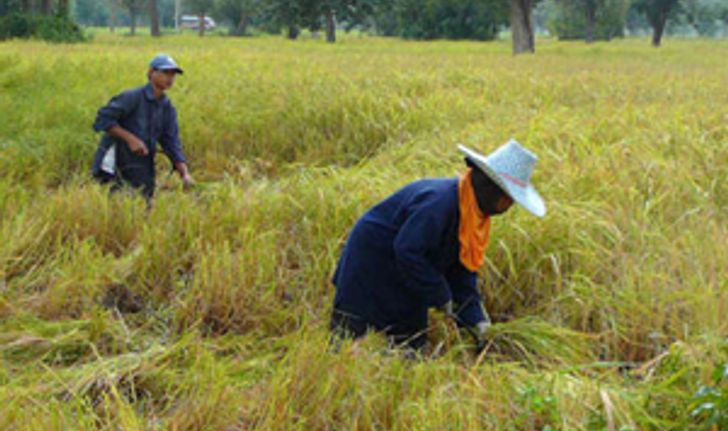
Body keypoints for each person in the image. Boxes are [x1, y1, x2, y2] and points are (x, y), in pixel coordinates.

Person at [330, 139, 546, 352]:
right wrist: (441, 296)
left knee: (411, 345)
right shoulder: (440, 203)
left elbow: (462, 269)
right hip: (373, 260)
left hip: (410, 272)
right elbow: (409, 250)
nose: (508, 206)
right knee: (349, 338)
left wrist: (476, 320)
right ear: (489, 187)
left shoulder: (473, 218)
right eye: (508, 198)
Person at [91, 54, 193, 200]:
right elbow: (103, 119)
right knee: (117, 203)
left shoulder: (167, 108)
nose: (170, 78)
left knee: (144, 202)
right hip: (115, 162)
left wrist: (184, 173)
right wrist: (130, 139)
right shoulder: (131, 97)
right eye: (165, 73)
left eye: (173, 74)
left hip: (142, 163)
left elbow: (171, 141)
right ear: (151, 72)